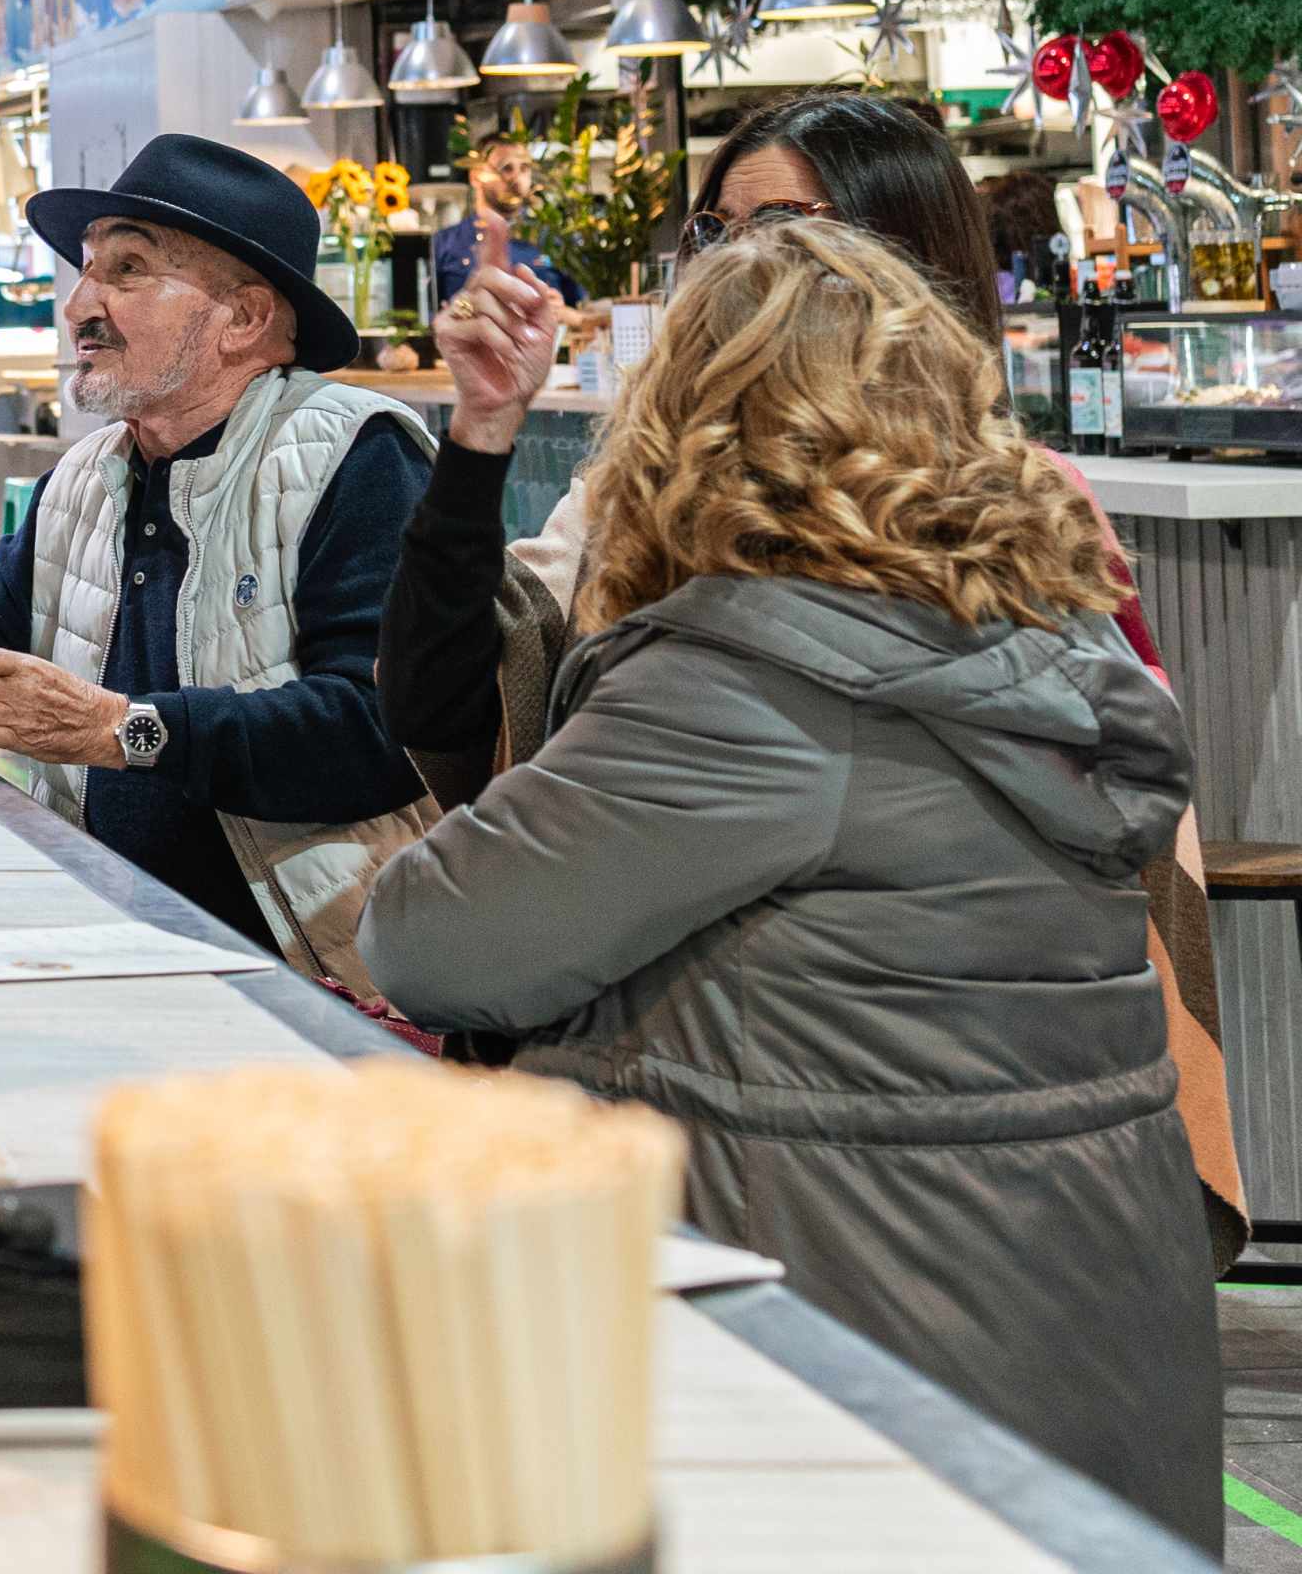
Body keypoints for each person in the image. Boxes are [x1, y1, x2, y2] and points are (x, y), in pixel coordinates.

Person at [360, 221, 1221, 1552]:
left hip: (846, 1359)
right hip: (1093, 1332)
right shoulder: (1060, 640)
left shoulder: (745, 687)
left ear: (688, 423)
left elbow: (431, 942)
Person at [383, 83, 1247, 1268]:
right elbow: (443, 704)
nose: (738, 271)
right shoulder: (646, 513)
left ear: (902, 265)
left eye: (787, 231)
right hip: (1042, 1226)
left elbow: (436, 939)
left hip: (808, 1207)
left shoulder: (762, 644)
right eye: (718, 234)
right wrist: (481, 440)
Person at [0, 135, 433, 982]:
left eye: (128, 269)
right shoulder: (89, 471)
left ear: (246, 320)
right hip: (103, 932)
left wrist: (120, 731)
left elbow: (378, 734)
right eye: (86, 266)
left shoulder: (354, 457)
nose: (78, 306)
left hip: (312, 969)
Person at [426, 127, 579, 311]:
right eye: (506, 168)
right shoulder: (443, 244)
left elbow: (585, 312)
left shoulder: (554, 239)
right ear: (476, 176)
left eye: (524, 168)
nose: (517, 178)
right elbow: (424, 319)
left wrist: (562, 311)